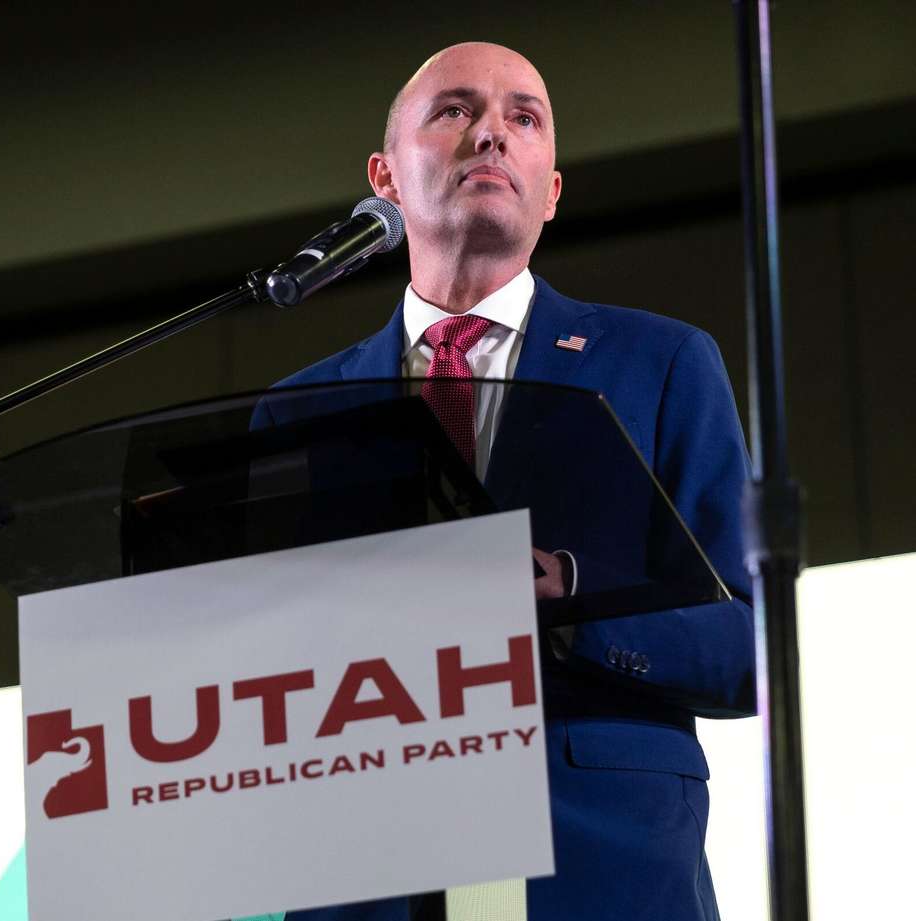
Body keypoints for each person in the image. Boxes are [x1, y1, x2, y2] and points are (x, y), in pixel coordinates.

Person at [262, 42, 756, 921]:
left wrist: (569, 594)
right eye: (455, 111)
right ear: (384, 177)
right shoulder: (299, 409)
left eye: (522, 119)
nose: (490, 133)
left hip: (599, 869)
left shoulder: (663, 364)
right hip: (369, 876)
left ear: (552, 189)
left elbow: (747, 650)